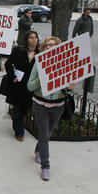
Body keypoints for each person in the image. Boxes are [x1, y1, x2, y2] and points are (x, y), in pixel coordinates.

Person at [27, 36, 76, 181]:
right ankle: (46, 166)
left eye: (53, 45)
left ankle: (38, 150)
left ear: (58, 48)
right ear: (43, 48)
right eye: (47, 45)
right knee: (44, 135)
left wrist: (69, 87)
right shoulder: (38, 63)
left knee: (47, 134)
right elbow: (29, 86)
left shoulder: (65, 65)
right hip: (40, 104)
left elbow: (68, 87)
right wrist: (40, 79)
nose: (49, 47)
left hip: (58, 106)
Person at [5, 31, 39, 141]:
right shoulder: (19, 51)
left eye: (35, 37)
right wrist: (12, 77)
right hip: (19, 84)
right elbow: (8, 64)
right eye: (31, 37)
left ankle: (17, 123)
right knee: (18, 109)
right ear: (27, 39)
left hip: (31, 86)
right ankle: (19, 132)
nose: (34, 39)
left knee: (26, 109)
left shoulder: (41, 53)